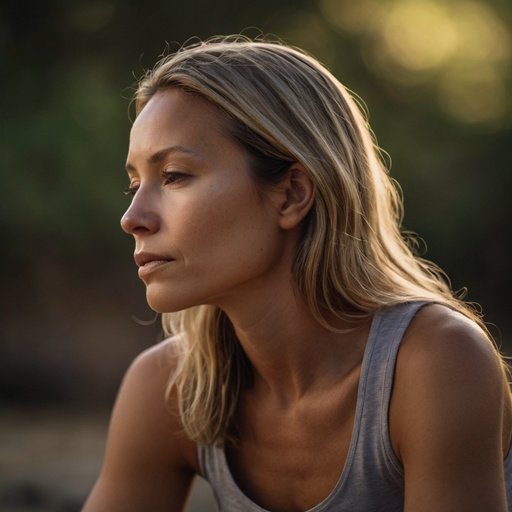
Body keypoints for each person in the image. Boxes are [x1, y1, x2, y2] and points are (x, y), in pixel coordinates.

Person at [82, 35, 512, 512]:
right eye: (134, 184)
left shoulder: (436, 362)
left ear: (291, 194)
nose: (133, 218)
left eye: (175, 176)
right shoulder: (169, 387)